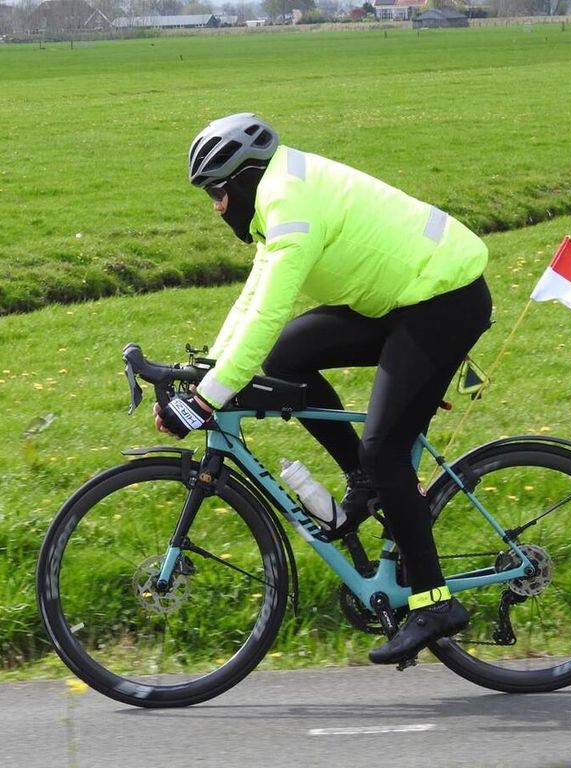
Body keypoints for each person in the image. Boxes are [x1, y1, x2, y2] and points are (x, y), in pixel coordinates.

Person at [154, 113, 492, 666]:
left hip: (443, 300)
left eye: (217, 192)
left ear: (244, 177)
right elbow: (253, 297)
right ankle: (366, 480)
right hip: (400, 298)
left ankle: (435, 604)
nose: (216, 206)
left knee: (386, 451)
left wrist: (207, 399)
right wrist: (208, 370)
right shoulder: (276, 197)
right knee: (289, 357)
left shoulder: (290, 204)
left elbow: (267, 312)